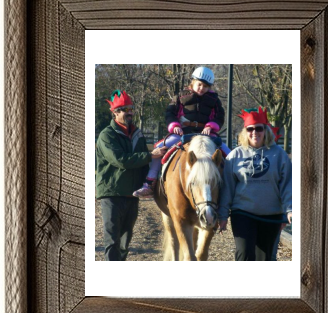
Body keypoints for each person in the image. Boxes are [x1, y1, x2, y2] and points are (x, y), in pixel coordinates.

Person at [133, 66, 230, 198]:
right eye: (199, 84)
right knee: (159, 147)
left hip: (206, 133)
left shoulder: (214, 100)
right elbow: (170, 112)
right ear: (193, 82)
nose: (202, 88)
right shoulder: (181, 96)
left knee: (229, 154)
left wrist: (210, 126)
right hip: (184, 132)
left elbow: (220, 117)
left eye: (206, 86)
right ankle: (150, 182)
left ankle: (233, 184)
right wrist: (175, 125)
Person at [96, 89, 167, 260]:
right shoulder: (107, 135)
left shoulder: (137, 133)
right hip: (112, 194)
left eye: (131, 109)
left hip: (131, 194)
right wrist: (150, 155)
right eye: (126, 110)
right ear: (115, 113)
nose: (130, 113)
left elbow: (144, 165)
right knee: (112, 240)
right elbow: (120, 160)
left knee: (125, 241)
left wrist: (150, 182)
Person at [218, 107, 292, 261]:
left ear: (265, 130)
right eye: (250, 129)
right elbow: (227, 188)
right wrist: (223, 214)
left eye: (259, 128)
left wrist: (289, 210)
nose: (254, 132)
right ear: (245, 132)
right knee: (244, 254)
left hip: (271, 215)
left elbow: (287, 185)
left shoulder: (279, 155)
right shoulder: (235, 156)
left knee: (265, 258)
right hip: (243, 213)